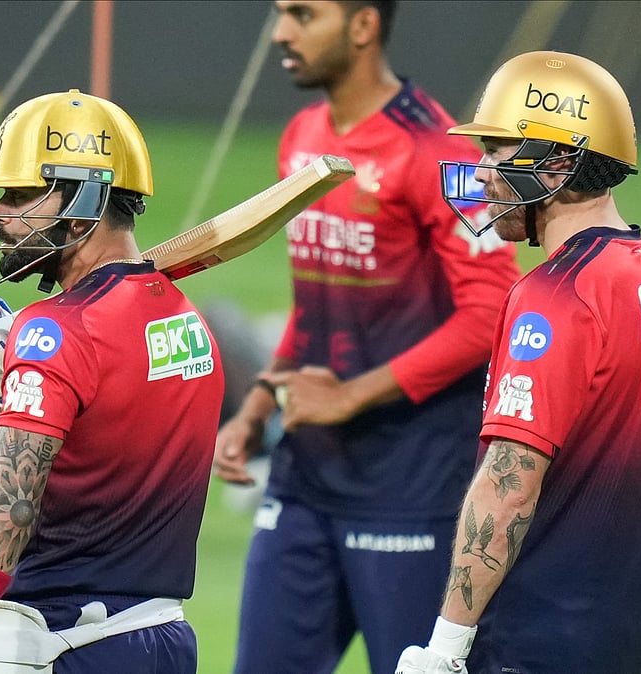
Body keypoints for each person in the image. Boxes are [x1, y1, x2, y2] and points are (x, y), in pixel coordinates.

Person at [0, 89, 226, 674]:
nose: (1, 217)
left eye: (21, 196)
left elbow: (9, 502)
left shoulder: (55, 332)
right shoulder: (188, 323)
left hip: (53, 641)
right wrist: (13, 371)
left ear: (84, 201)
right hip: (160, 637)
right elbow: (101, 425)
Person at [212, 2, 520, 673]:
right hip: (305, 473)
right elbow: (321, 297)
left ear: (362, 25)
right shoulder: (301, 135)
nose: (281, 32)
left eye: (301, 14)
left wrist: (351, 396)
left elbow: (491, 312)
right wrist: (262, 401)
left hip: (413, 484)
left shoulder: (438, 151)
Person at [394, 51, 641, 673]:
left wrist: (446, 647)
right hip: (624, 638)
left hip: (531, 640)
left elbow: (509, 485)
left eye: (497, 151)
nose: (480, 174)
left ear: (558, 162)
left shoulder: (553, 296)